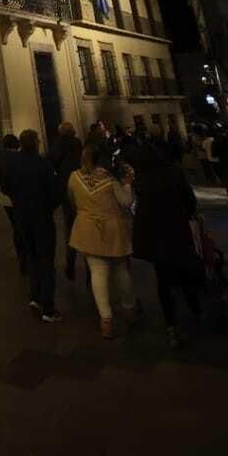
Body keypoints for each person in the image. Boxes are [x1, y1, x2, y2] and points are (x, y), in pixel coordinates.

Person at [129, 141, 204, 348]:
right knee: (185, 272)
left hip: (155, 236)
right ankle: (196, 310)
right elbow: (189, 200)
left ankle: (172, 324)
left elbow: (137, 207)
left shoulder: (140, 179)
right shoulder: (173, 172)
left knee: (164, 281)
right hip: (177, 230)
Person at [67, 141, 137, 339]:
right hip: (113, 229)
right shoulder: (109, 179)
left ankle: (106, 320)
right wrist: (127, 184)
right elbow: (126, 202)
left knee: (97, 273)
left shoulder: (74, 177)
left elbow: (72, 200)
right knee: (121, 270)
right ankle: (129, 308)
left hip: (88, 228)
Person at [0, 129, 64, 323]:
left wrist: (18, 200)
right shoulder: (43, 164)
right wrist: (47, 207)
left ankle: (35, 298)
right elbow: (56, 192)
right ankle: (48, 307)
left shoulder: (13, 164)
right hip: (41, 218)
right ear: (35, 143)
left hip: (22, 217)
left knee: (31, 257)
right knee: (47, 261)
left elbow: (4, 186)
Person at [46, 121, 82, 281]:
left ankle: (70, 263)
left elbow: (50, 161)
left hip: (66, 186)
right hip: (80, 184)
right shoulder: (77, 142)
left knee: (70, 225)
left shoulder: (59, 144)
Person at [0, 133, 29, 275]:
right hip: (22, 196)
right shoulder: (21, 157)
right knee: (24, 226)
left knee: (16, 227)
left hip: (6, 198)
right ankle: (28, 257)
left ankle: (22, 260)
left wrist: (3, 183)